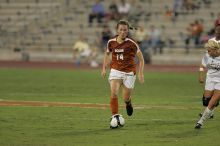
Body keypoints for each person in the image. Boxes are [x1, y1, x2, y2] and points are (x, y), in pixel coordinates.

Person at [101, 20, 145, 128]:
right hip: (115, 70)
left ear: (127, 31)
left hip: (129, 72)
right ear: (117, 30)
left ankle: (128, 103)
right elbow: (107, 54)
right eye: (121, 29)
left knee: (125, 97)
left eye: (125, 30)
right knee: (114, 93)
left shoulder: (132, 43)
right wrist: (104, 68)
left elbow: (141, 59)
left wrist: (140, 73)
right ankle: (115, 116)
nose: (123, 32)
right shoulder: (111, 42)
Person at [195, 25, 220, 129]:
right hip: (210, 78)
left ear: (215, 50)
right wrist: (201, 76)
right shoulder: (207, 55)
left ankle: (200, 122)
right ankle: (215, 103)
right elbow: (202, 66)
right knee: (206, 101)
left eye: (209, 51)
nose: (208, 52)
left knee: (211, 103)